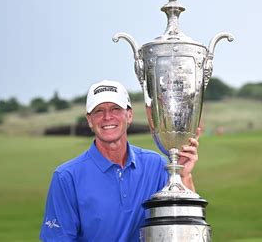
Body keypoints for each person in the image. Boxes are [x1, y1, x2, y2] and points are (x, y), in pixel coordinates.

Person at [40, 80, 200, 241]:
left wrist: (183, 176)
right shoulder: (67, 177)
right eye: (98, 111)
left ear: (129, 115)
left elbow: (185, 225)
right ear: (89, 120)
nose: (107, 117)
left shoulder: (156, 165)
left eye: (115, 109)